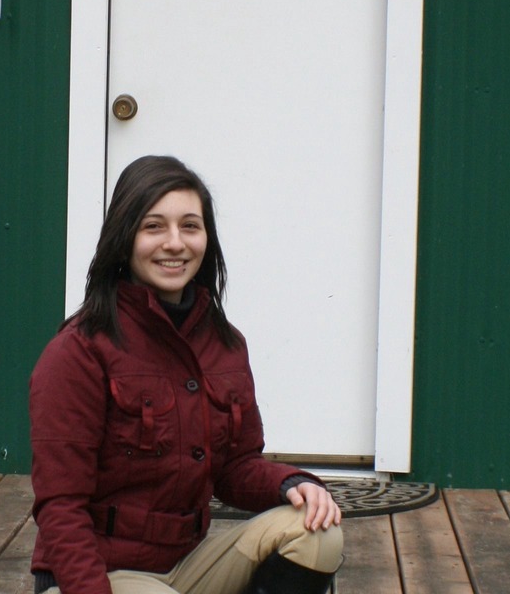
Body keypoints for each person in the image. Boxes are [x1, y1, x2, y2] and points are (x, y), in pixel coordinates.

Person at [29, 155, 344, 594]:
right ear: (123, 239)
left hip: (187, 567)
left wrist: (292, 483)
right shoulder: (78, 351)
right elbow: (60, 507)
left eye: (190, 226)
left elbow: (235, 469)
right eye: (153, 226)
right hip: (98, 577)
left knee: (316, 532)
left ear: (206, 240)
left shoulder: (226, 343)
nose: (175, 243)